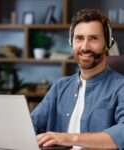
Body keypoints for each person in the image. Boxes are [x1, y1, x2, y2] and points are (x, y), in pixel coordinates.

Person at [31, 8, 124, 149]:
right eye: (79, 38)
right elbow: (32, 124)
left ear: (107, 43)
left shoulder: (121, 87)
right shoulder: (60, 86)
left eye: (93, 38)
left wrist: (70, 138)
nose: (85, 47)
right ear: (71, 42)